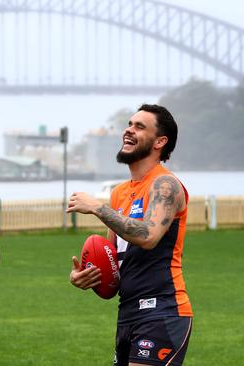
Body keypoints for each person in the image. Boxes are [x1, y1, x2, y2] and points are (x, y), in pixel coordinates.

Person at [66, 104, 192, 366]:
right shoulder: (119, 193)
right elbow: (115, 265)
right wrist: (89, 275)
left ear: (160, 141)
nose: (129, 130)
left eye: (139, 126)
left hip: (163, 310)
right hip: (127, 313)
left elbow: (149, 235)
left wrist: (98, 208)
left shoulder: (165, 184)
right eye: (129, 124)